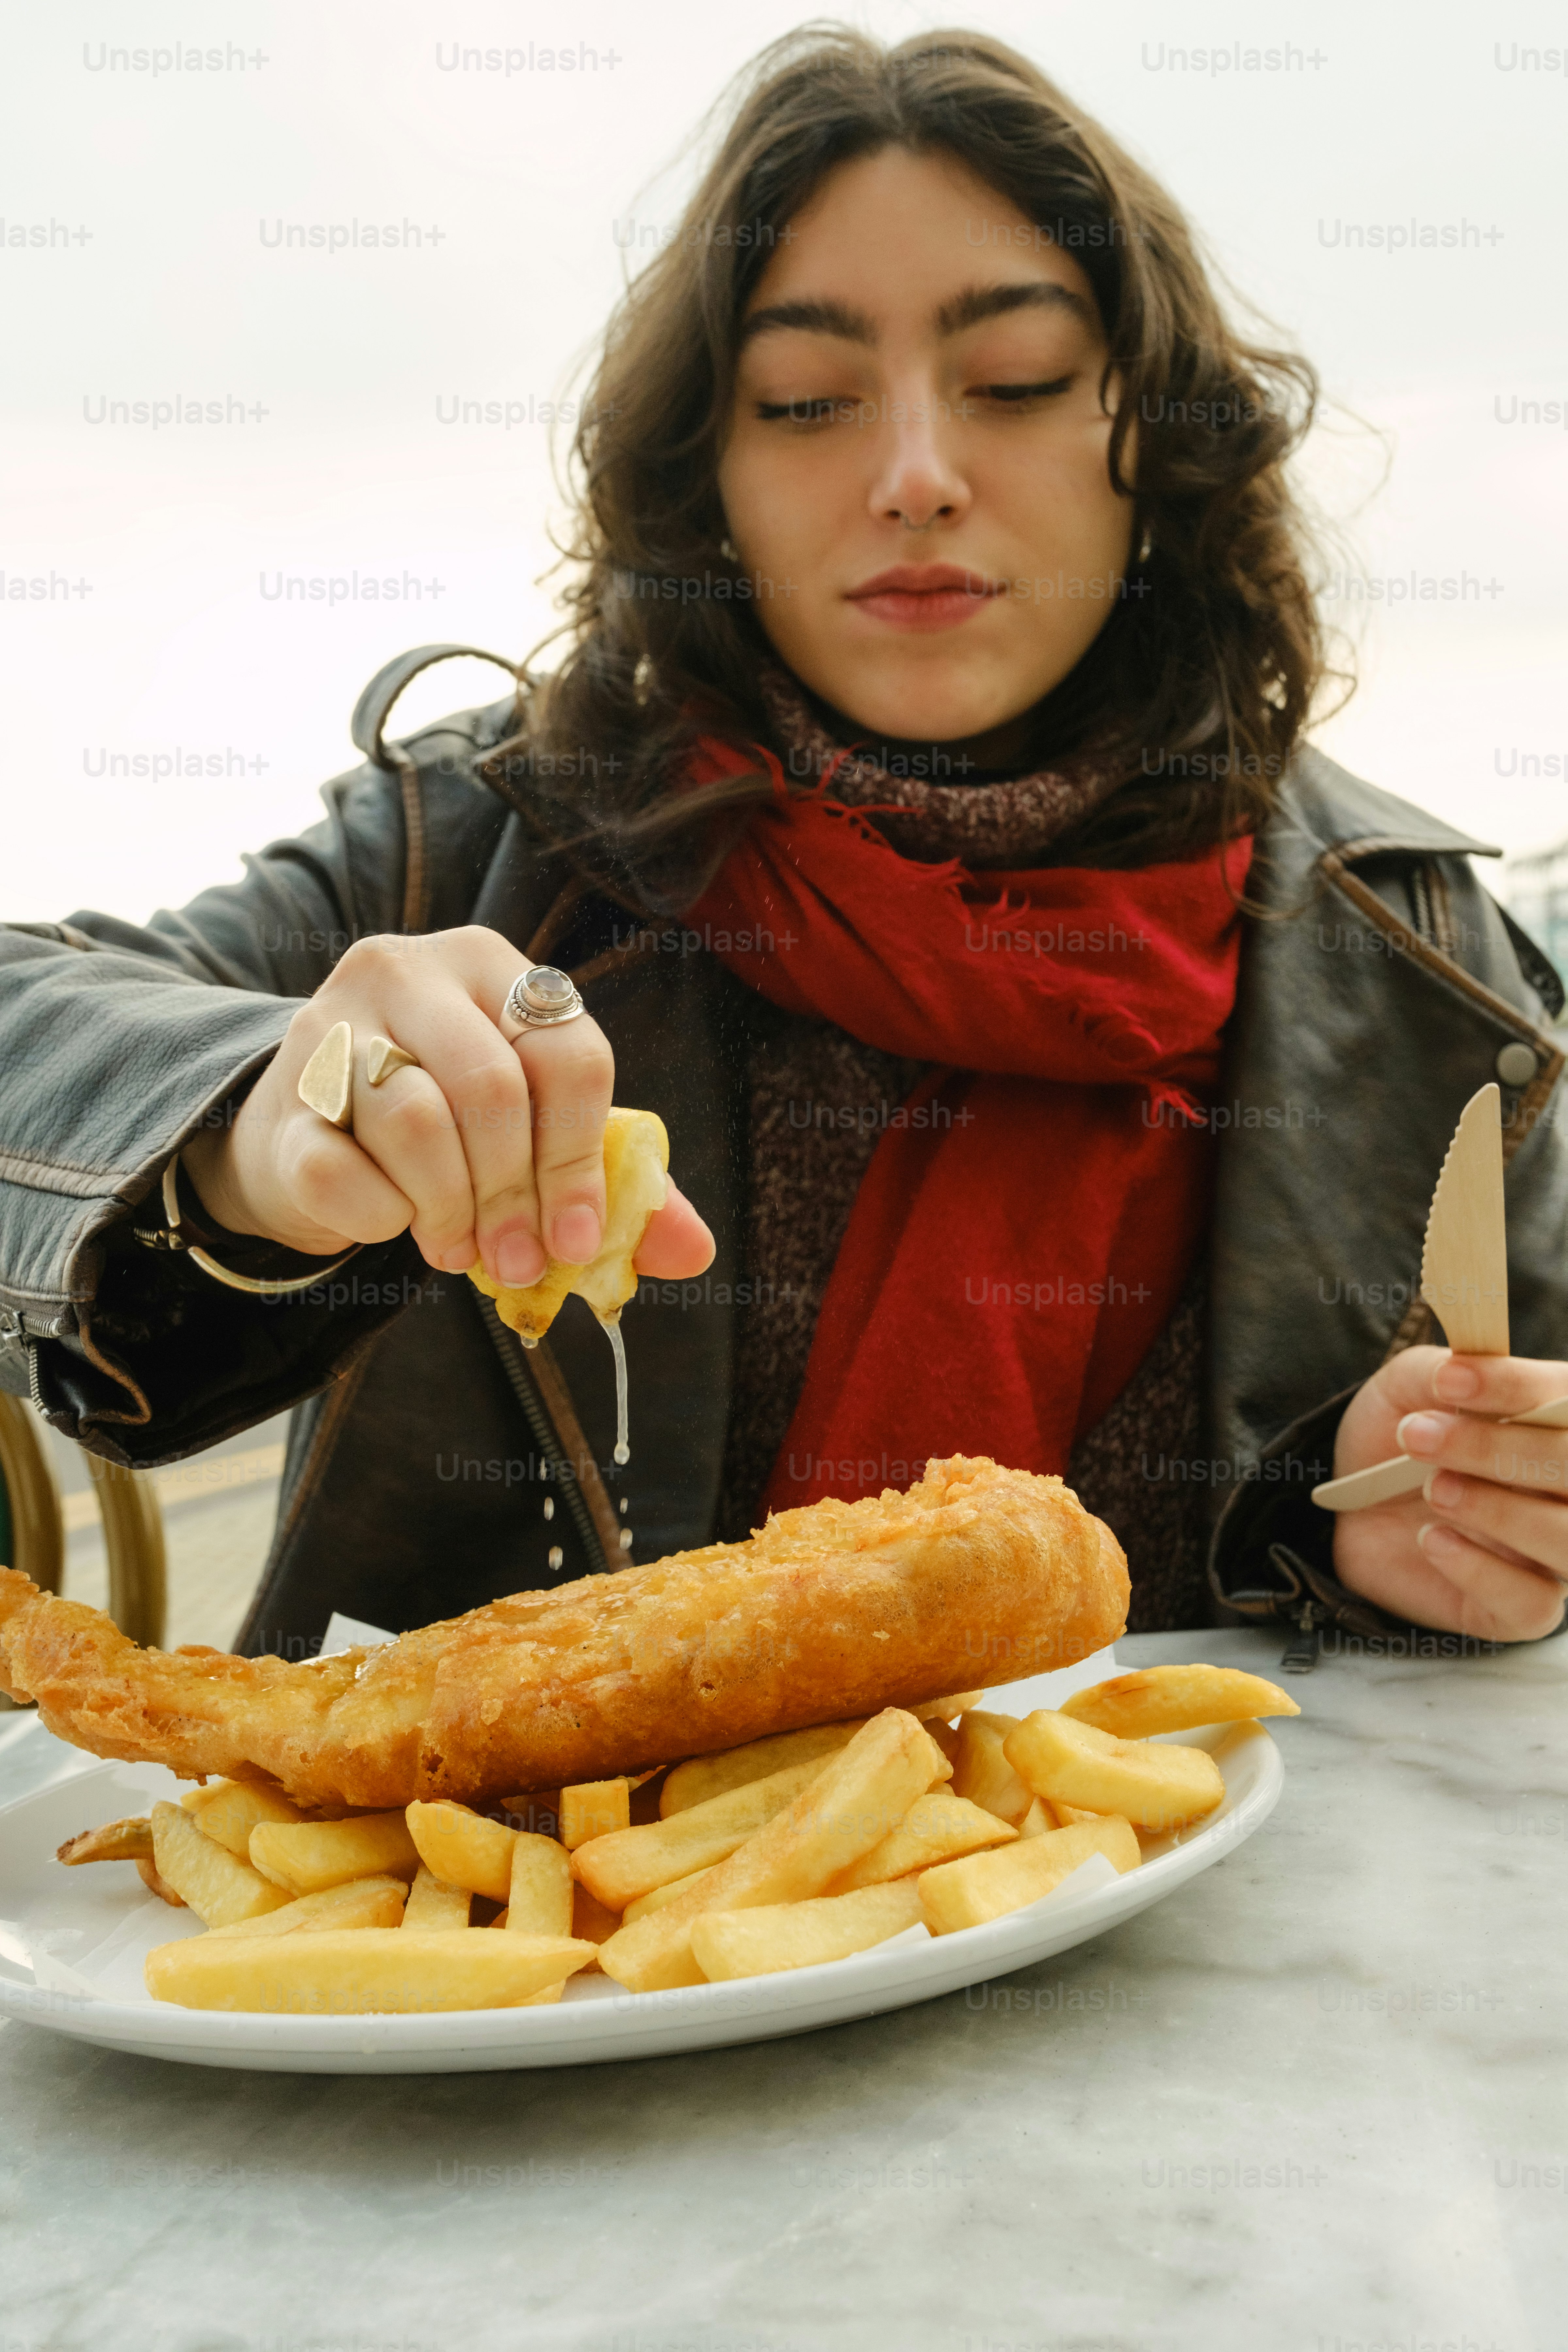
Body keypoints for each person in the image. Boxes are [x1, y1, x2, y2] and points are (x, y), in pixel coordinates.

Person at [3, 27, 1564, 1664]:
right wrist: (255, 1120)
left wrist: (1427, 1538)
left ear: (1152, 445)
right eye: (809, 401)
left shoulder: (1432, 965)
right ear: (709, 479)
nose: (915, 478)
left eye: (1018, 381)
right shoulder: (468, 846)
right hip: (530, 1903)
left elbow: (1509, 1597)